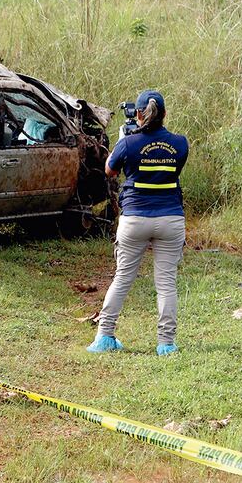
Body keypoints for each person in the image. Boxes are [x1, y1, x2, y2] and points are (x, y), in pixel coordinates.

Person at [87, 90, 190, 356]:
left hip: (135, 219)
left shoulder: (129, 143)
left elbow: (110, 170)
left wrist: (124, 140)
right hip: (171, 219)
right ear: (164, 114)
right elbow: (172, 169)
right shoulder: (180, 143)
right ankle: (166, 344)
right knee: (166, 283)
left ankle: (105, 336)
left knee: (122, 278)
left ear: (139, 115)